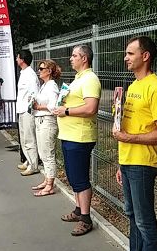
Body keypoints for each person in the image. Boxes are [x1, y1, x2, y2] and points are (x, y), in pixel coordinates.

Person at [108, 36, 157, 251]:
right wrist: (121, 162)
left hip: (144, 163)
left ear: (145, 56)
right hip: (130, 161)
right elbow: (128, 127)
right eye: (126, 53)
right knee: (132, 213)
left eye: (131, 53)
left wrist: (130, 140)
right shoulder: (133, 85)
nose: (126, 57)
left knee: (145, 220)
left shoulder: (156, 88)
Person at [53, 45, 101, 236]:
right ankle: (78, 209)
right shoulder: (78, 79)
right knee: (73, 177)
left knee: (80, 179)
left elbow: (90, 108)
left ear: (84, 59)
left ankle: (86, 218)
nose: (70, 59)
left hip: (80, 137)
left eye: (74, 56)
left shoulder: (90, 79)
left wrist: (66, 111)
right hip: (69, 135)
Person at [32, 59, 61, 196]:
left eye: (42, 68)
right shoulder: (44, 85)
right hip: (40, 120)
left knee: (48, 153)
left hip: (47, 121)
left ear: (49, 71)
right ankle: (47, 179)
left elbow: (54, 106)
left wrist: (38, 107)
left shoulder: (52, 86)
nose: (39, 70)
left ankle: (50, 185)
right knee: (43, 152)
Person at [15, 51, 40, 176]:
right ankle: (28, 160)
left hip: (27, 111)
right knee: (24, 138)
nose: (16, 59)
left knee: (29, 138)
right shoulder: (23, 73)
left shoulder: (30, 74)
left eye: (18, 57)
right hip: (21, 109)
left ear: (22, 59)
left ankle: (33, 164)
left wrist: (30, 109)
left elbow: (34, 93)